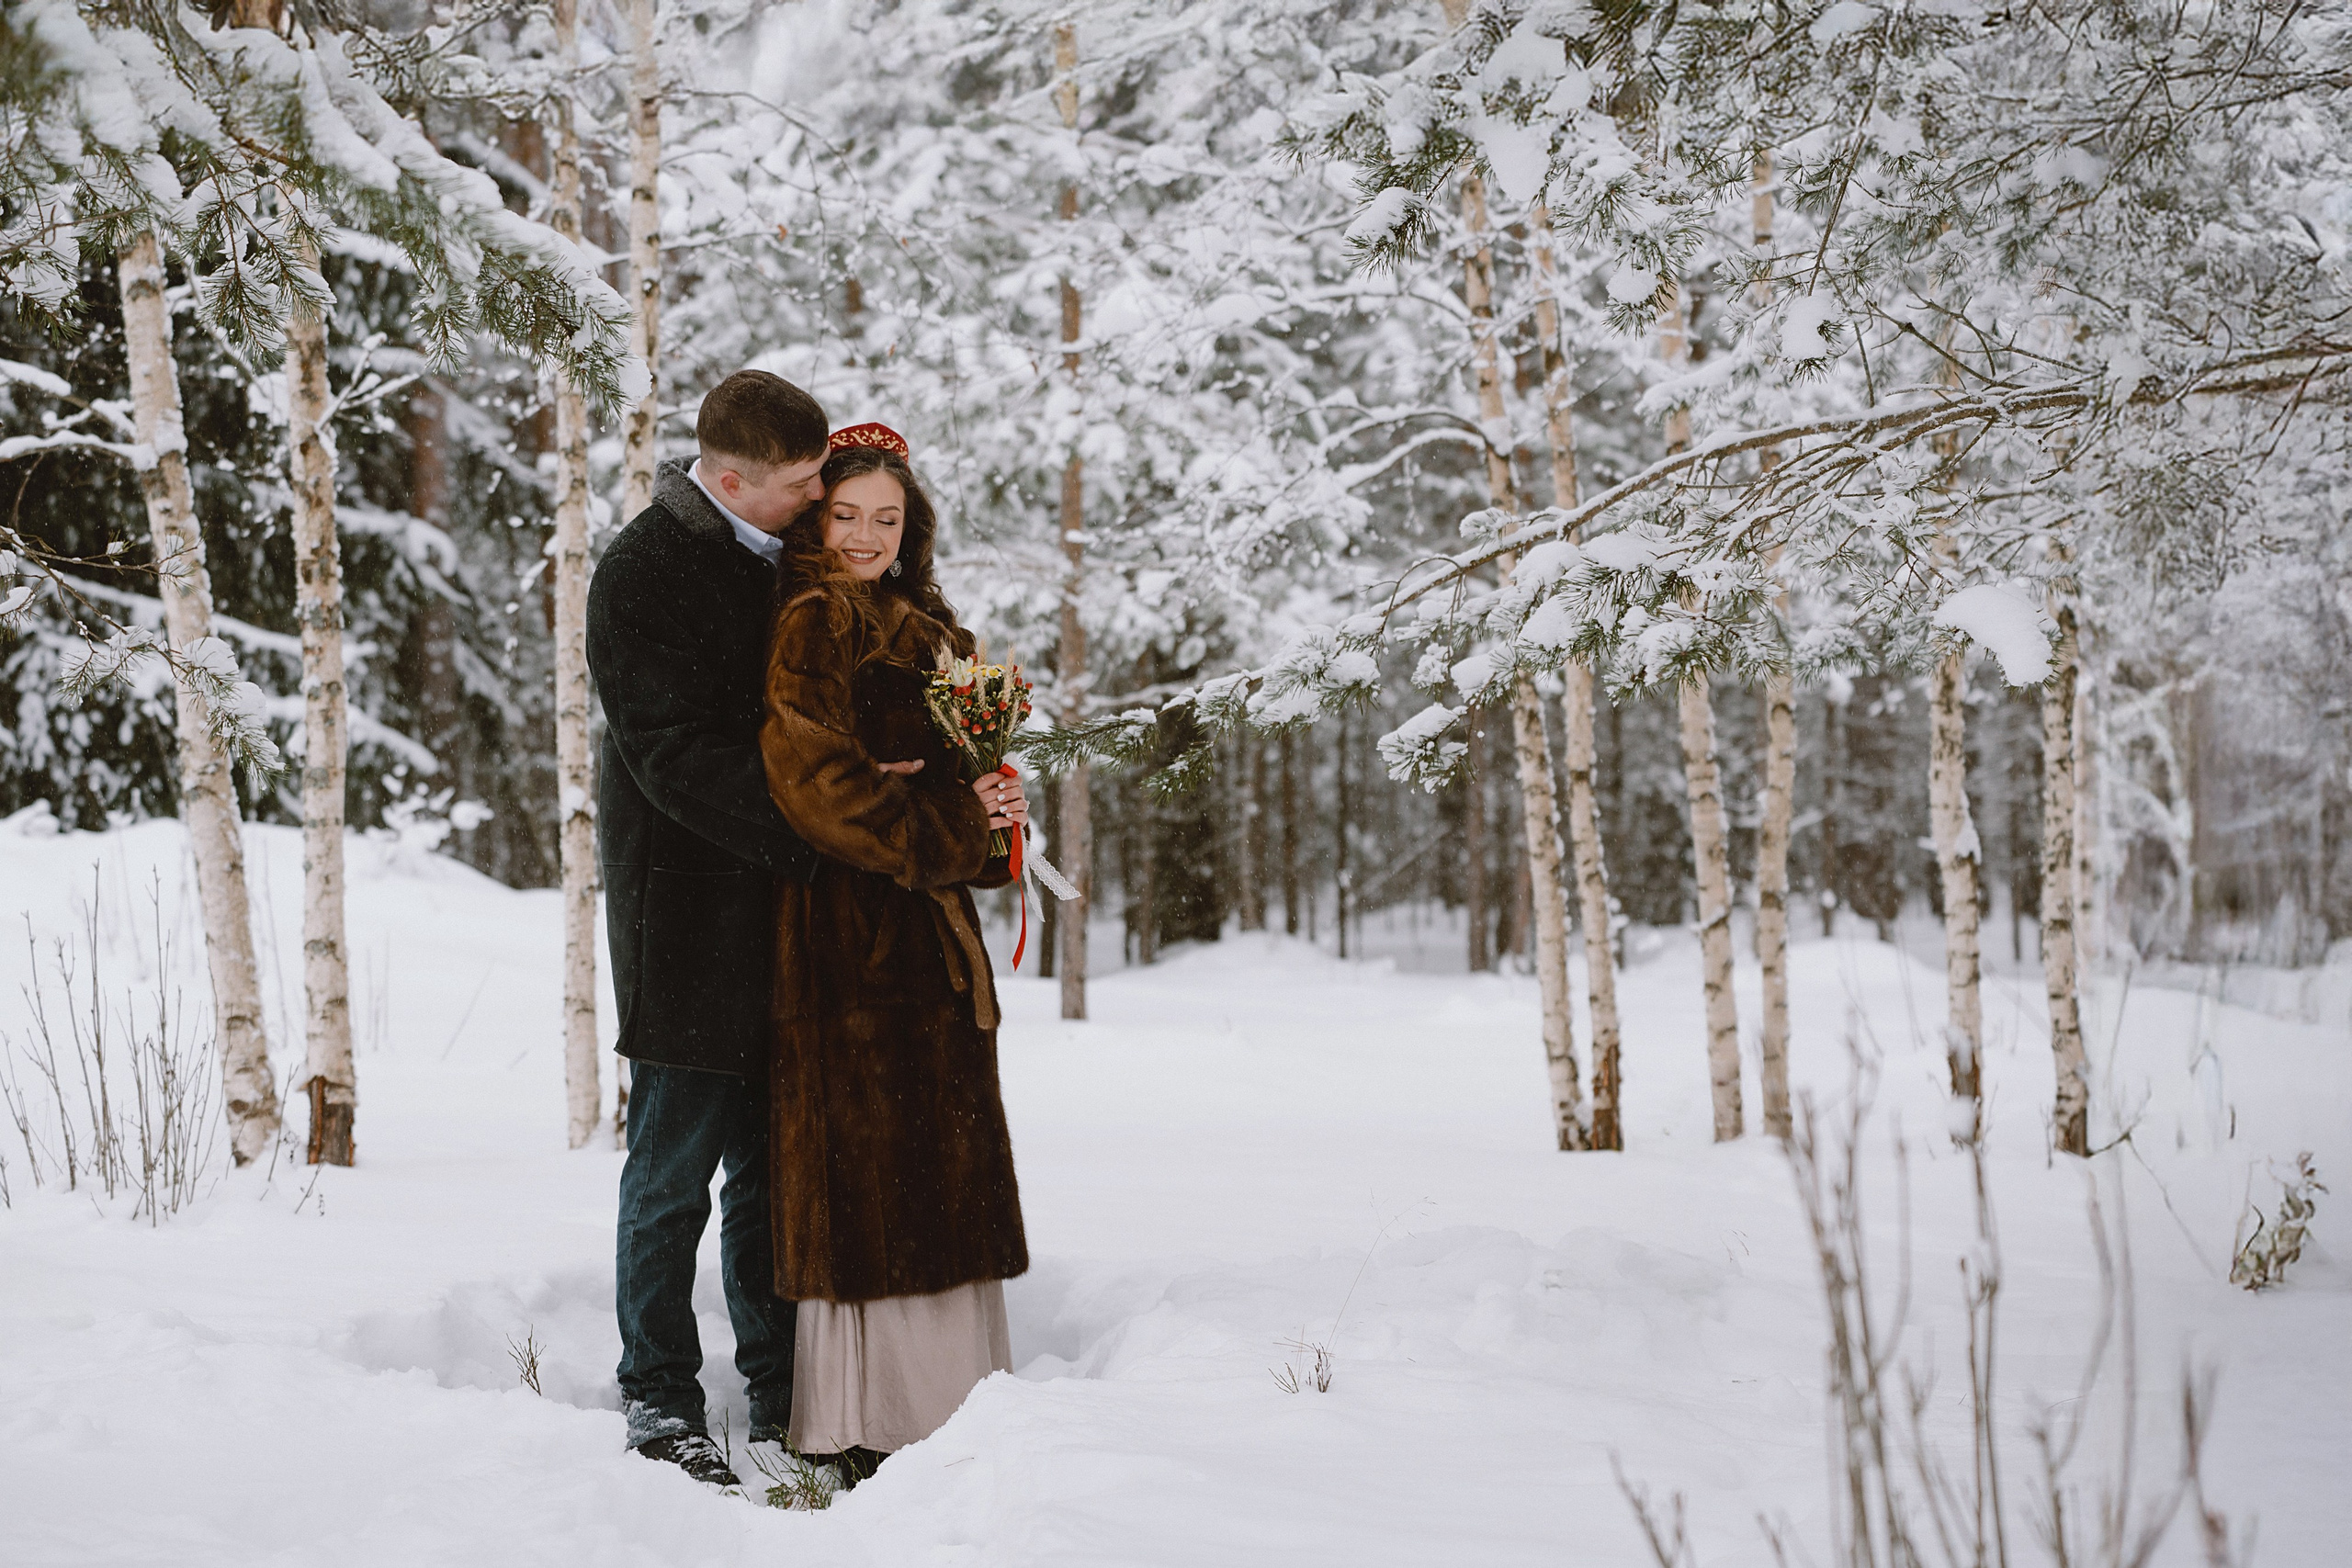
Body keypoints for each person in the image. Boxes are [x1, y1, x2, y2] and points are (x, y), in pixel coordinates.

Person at [757, 422, 1032, 1483]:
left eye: (888, 518)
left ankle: (952, 1409)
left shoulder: (927, 623)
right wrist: (948, 822)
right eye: (846, 514)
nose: (867, 534)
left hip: (925, 934)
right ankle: (873, 1419)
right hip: (848, 938)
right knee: (875, 1169)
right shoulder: (815, 619)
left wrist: (996, 816)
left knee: (934, 1161)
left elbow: (964, 800)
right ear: (815, 516)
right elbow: (815, 782)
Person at [586, 370, 832, 1487]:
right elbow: (670, 753)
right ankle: (658, 1397)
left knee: (776, 1174)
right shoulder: (642, 570)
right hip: (683, 910)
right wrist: (827, 821)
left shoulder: (796, 554)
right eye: (799, 483)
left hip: (785, 918)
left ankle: (783, 1392)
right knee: (673, 1170)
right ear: (730, 479)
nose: (818, 495)